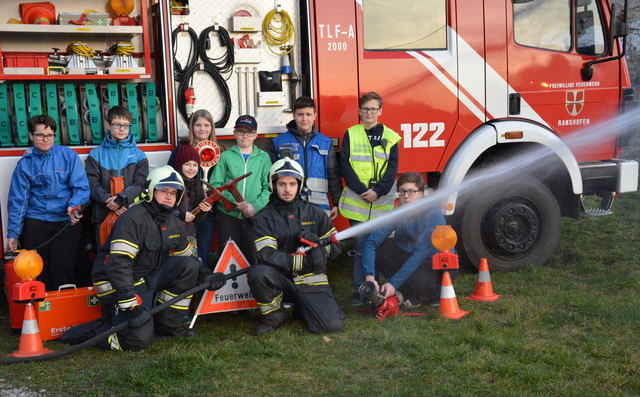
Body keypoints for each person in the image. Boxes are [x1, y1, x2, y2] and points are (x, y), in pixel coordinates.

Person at [90, 166, 224, 351]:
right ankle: (97, 333)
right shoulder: (133, 219)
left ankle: (168, 326)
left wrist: (207, 275)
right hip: (120, 285)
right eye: (163, 191)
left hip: (149, 276)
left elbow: (188, 258)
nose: (169, 197)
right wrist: (131, 307)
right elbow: (119, 265)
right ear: (150, 191)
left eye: (174, 193)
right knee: (139, 340)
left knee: (188, 267)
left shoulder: (173, 222)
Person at [249, 158, 344, 335]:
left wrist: (320, 251)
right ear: (273, 185)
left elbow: (337, 245)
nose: (287, 189)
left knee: (331, 326)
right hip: (281, 279)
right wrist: (304, 262)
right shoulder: (264, 217)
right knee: (258, 273)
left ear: (299, 185)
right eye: (282, 184)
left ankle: (303, 309)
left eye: (292, 184)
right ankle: (274, 317)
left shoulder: (315, 212)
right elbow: (267, 254)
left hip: (311, 280)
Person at [5, 114, 90, 290]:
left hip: (65, 221)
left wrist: (74, 207)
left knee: (63, 268)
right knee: (36, 270)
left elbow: (81, 188)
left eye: (50, 135)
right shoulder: (25, 164)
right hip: (35, 222)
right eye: (40, 135)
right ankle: (40, 313)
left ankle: (62, 312)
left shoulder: (68, 156)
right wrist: (13, 234)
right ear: (31, 136)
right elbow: (18, 201)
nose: (46, 139)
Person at [338, 91, 401, 306]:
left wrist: (379, 191)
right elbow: (344, 164)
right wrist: (361, 189)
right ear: (359, 111)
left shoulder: (391, 137)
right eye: (365, 109)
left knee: (377, 245)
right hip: (358, 201)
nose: (369, 112)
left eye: (373, 109)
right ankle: (361, 289)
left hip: (380, 201)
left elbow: (392, 170)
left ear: (380, 111)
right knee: (360, 246)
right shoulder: (351, 133)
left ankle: (377, 287)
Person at [361, 172, 452, 307]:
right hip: (412, 257)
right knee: (382, 250)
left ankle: (432, 293)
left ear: (421, 193)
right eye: (402, 191)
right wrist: (369, 276)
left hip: (433, 264)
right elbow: (371, 242)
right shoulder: (399, 212)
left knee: (418, 277)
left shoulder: (433, 215)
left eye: (411, 191)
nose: (406, 196)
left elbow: (420, 255)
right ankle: (407, 293)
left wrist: (393, 283)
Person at [209, 115, 271, 266]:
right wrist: (230, 203)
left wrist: (253, 207)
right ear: (234, 133)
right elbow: (216, 184)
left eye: (249, 132)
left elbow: (268, 188)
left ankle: (254, 287)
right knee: (228, 255)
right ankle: (228, 287)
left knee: (253, 255)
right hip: (228, 216)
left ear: (255, 135)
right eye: (241, 131)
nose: (245, 135)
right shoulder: (225, 157)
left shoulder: (263, 158)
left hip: (253, 217)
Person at [85, 105, 149, 246]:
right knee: (104, 258)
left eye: (126, 126)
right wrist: (108, 200)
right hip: (102, 215)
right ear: (108, 125)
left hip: (130, 214)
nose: (122, 129)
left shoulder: (139, 155)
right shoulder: (96, 154)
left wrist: (121, 200)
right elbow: (91, 184)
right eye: (117, 124)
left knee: (128, 256)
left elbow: (141, 184)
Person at [269, 96, 342, 219]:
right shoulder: (278, 142)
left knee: (317, 238)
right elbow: (271, 178)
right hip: (287, 206)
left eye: (308, 114)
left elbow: (333, 174)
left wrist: (336, 202)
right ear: (293, 115)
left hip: (319, 207)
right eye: (300, 114)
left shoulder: (326, 142)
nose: (304, 119)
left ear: (315, 115)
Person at [168, 109, 221, 266]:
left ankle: (200, 283)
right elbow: (170, 177)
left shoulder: (218, 151)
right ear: (192, 127)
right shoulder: (181, 150)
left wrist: (211, 198)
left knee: (202, 250)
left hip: (207, 210)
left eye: (206, 125)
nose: (202, 129)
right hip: (183, 210)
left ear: (212, 127)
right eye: (198, 125)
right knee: (180, 250)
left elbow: (221, 179)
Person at [170, 144, 212, 251]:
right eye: (187, 164)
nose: (191, 169)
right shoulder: (171, 186)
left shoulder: (198, 187)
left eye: (195, 165)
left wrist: (204, 211)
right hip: (170, 236)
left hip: (190, 237)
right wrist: (181, 215)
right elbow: (162, 210)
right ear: (180, 166)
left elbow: (197, 220)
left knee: (190, 265)